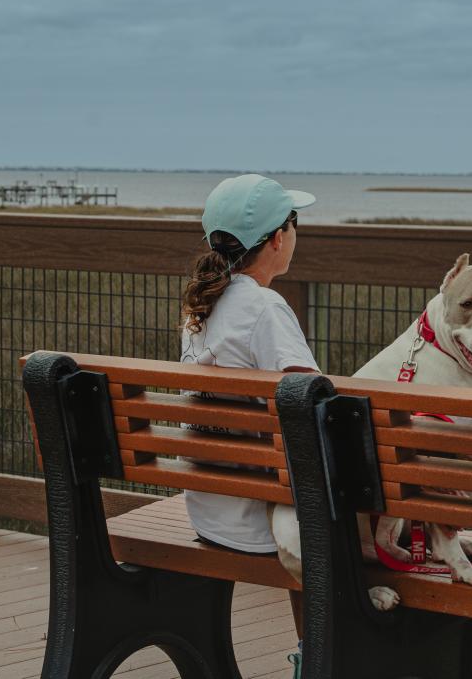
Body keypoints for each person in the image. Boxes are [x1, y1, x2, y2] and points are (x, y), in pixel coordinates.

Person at [178, 172, 317, 666]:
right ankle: (319, 654)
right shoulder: (264, 308)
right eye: (294, 224)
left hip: (210, 510)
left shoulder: (203, 307)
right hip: (261, 524)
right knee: (332, 516)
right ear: (278, 238)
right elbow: (312, 411)